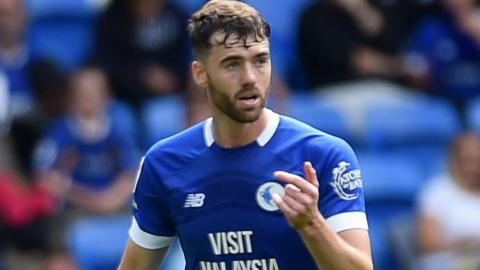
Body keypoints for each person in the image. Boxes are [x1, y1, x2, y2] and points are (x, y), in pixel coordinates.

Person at [118, 1, 373, 269]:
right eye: (232, 64)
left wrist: (312, 225)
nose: (250, 77)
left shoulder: (324, 155)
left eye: (260, 60)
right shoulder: (164, 162)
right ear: (200, 74)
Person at [416, 132, 480, 270]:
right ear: (454, 159)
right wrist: (465, 245)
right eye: (466, 159)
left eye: (476, 160)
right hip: (448, 262)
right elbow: (427, 244)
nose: (472, 166)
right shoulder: (437, 192)